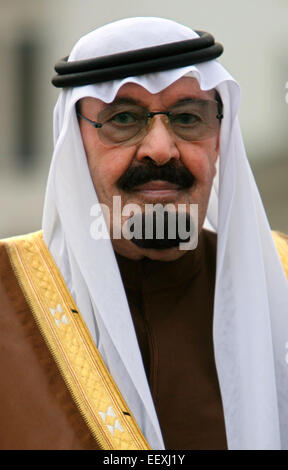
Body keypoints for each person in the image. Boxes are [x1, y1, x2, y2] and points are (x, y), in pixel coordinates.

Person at [0, 17, 287, 451]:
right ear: (75, 145)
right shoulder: (9, 299)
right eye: (124, 118)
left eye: (188, 118)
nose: (159, 148)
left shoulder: (281, 283)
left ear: (218, 142)